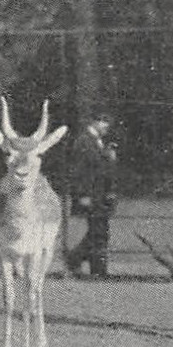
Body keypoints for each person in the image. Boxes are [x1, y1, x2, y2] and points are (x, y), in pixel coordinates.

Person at [66, 114, 119, 277]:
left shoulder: (98, 142)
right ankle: (97, 270)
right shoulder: (83, 141)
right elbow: (78, 172)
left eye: (108, 123)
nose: (106, 127)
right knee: (99, 232)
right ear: (94, 122)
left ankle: (76, 259)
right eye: (104, 122)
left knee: (99, 232)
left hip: (101, 195)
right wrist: (82, 194)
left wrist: (109, 158)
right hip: (91, 195)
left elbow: (101, 168)